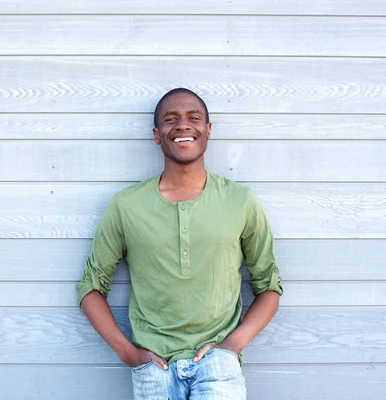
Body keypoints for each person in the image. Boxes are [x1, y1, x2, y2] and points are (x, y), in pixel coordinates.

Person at [76, 88, 283, 400]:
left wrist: (230, 348)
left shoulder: (241, 201)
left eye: (193, 118)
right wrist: (130, 356)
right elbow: (91, 288)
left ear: (208, 130)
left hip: (218, 369)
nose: (183, 126)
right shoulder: (126, 206)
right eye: (171, 120)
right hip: (154, 371)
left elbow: (269, 286)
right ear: (157, 135)